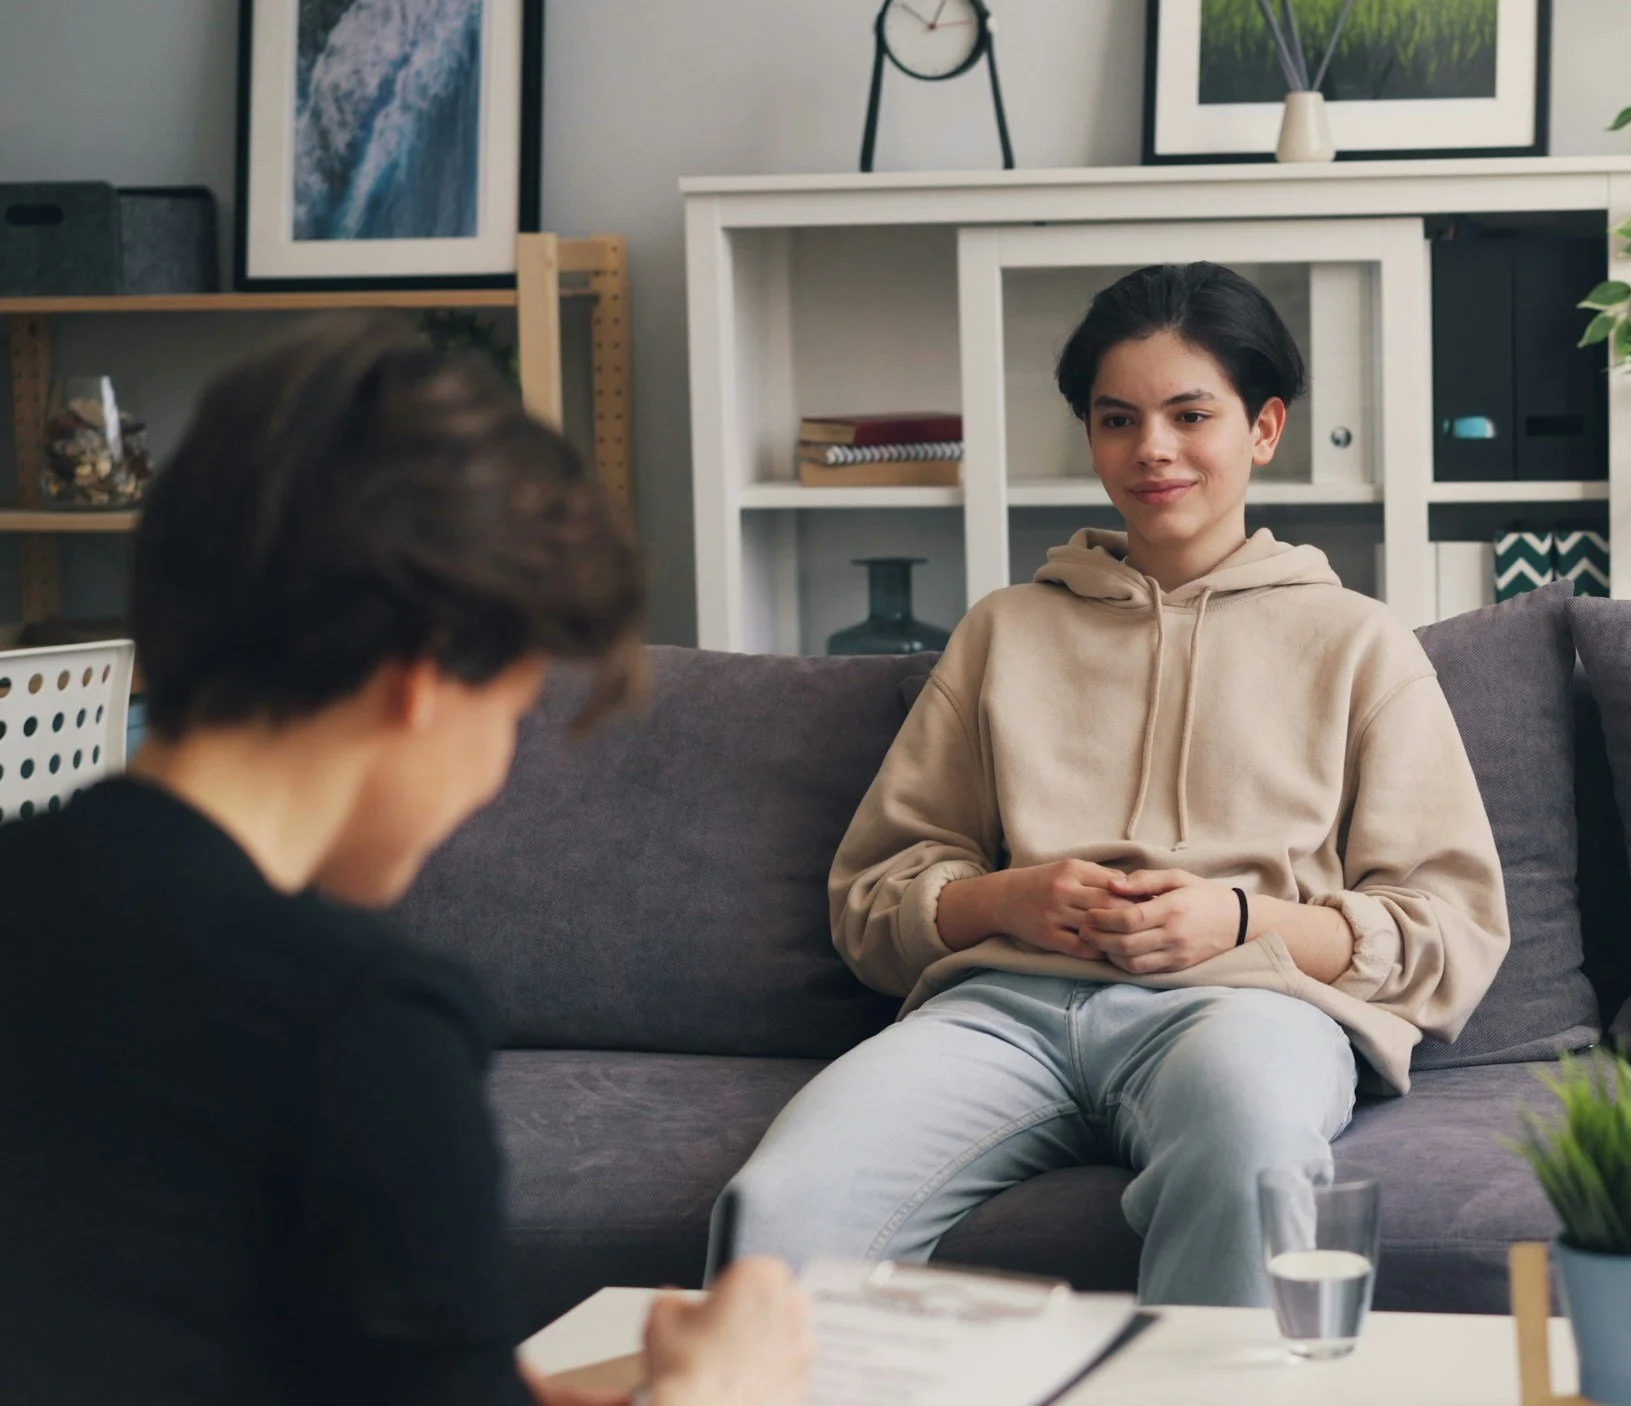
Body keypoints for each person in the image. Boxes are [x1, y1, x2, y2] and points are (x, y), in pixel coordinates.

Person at [0, 316, 811, 1406]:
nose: (490, 780)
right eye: (516, 713)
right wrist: (716, 1386)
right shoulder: (358, 1016)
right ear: (424, 675)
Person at [713, 262, 1511, 1306]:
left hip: (1245, 1010)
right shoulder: (1005, 629)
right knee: (775, 1204)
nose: (1153, 450)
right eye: (1117, 419)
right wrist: (1009, 898)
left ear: (1264, 427)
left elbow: (1447, 926)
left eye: (1191, 413)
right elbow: (871, 895)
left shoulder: (1359, 642)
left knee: (1253, 1160)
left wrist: (1236, 919)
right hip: (1002, 1010)